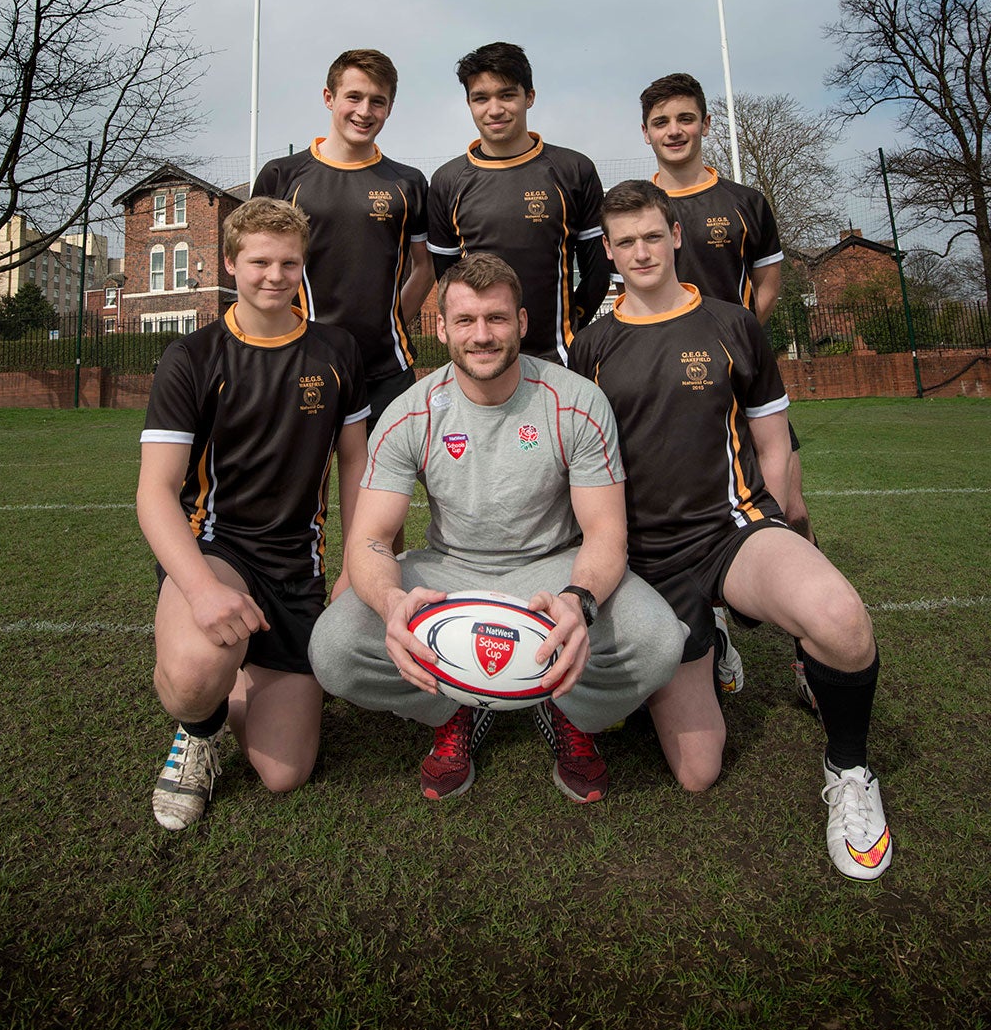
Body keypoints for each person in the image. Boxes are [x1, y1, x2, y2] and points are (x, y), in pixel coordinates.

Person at [569, 180, 892, 880]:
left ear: (676, 235)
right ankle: (698, 642)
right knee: (696, 771)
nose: (640, 251)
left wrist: (778, 530)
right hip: (644, 558)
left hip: (731, 529)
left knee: (841, 619)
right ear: (610, 252)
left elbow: (774, 444)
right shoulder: (590, 344)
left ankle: (851, 772)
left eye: (652, 236)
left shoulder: (731, 322)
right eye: (624, 242)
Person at [309, 252, 686, 804]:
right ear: (440, 327)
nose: (481, 335)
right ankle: (456, 704)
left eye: (496, 319)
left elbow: (605, 535)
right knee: (335, 650)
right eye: (464, 320)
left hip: (553, 571)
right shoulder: (410, 412)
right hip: (449, 572)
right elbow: (368, 539)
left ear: (522, 323)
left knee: (658, 641)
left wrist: (579, 600)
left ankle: (564, 706)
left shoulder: (576, 401)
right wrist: (390, 601)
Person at [137, 198, 369, 830]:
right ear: (232, 262)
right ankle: (199, 732)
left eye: (289, 263)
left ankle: (243, 670)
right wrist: (201, 590)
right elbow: (155, 493)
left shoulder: (337, 351)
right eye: (259, 261)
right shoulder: (193, 358)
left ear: (304, 266)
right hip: (220, 550)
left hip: (299, 566)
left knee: (283, 775)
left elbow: (356, 467)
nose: (274, 275)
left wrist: (357, 563)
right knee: (191, 674)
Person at [639, 71, 815, 703]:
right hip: (668, 400)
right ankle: (707, 631)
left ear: (706, 123)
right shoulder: (636, 205)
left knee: (790, 509)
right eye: (661, 122)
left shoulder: (745, 201)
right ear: (646, 132)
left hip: (740, 389)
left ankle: (809, 658)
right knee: (673, 519)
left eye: (685, 118)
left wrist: (730, 351)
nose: (674, 131)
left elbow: (766, 288)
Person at [253, 49, 433, 432]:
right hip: (299, 362)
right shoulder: (282, 176)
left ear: (389, 108)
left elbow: (425, 265)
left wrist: (395, 320)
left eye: (378, 102)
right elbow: (256, 266)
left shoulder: (408, 183)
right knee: (295, 487)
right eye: (354, 97)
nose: (365, 111)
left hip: (386, 371)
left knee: (382, 488)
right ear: (328, 97)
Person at [427, 42, 610, 364]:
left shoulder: (573, 170)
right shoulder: (447, 181)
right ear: (469, 103)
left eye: (507, 95)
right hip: (482, 361)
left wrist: (572, 320)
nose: (494, 109)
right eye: (480, 98)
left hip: (558, 359)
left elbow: (596, 272)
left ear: (530, 97)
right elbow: (446, 279)